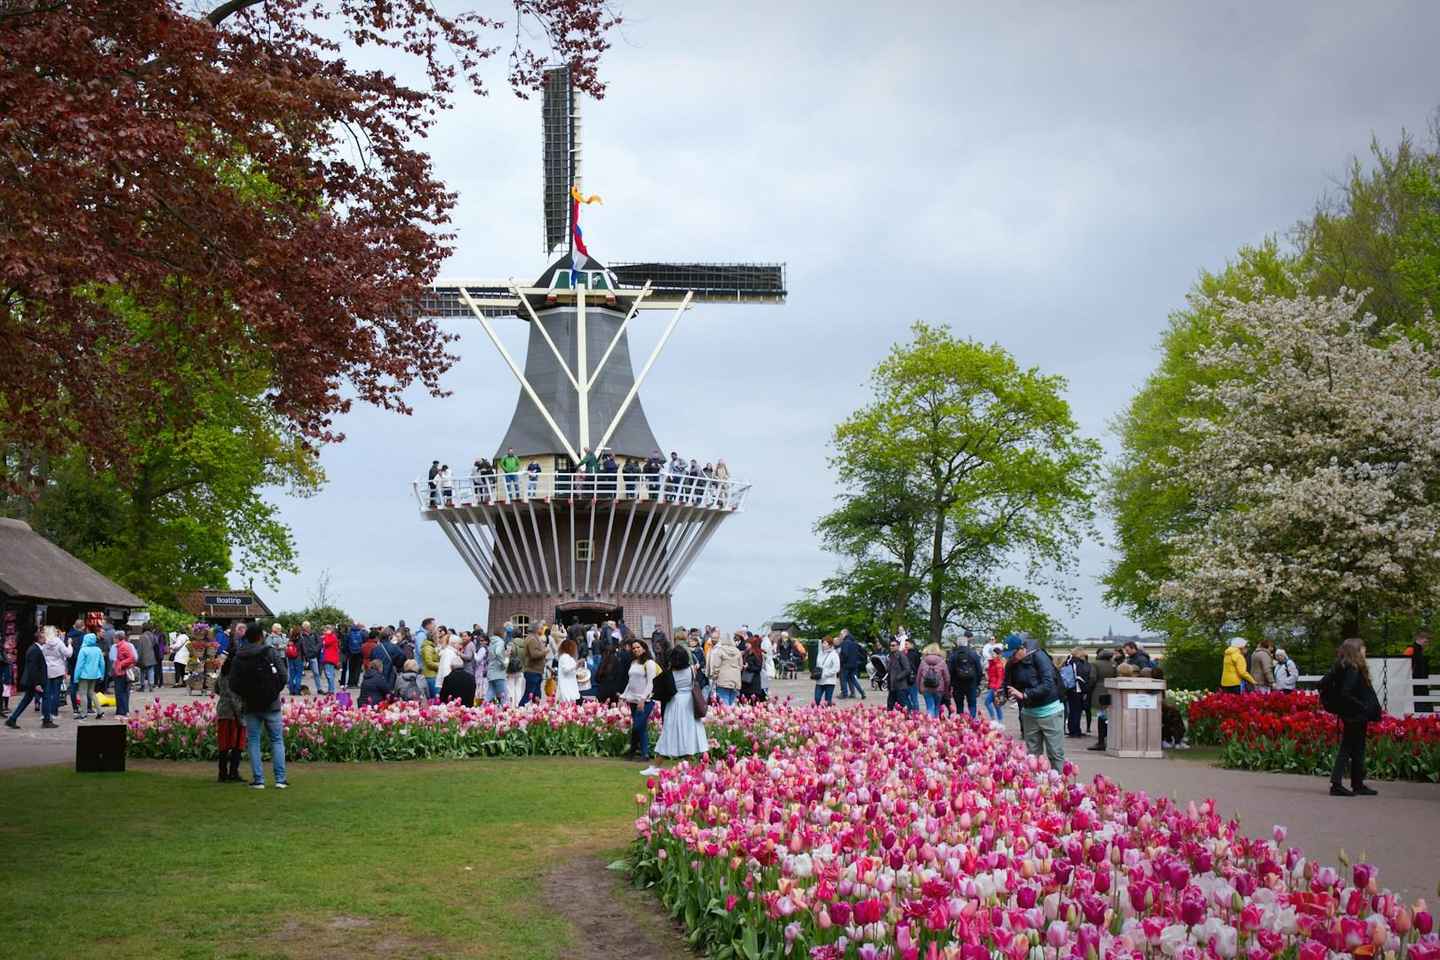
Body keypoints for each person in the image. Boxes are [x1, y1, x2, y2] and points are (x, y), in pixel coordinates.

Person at [233, 624, 288, 789]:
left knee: (254, 742)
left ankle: (259, 779)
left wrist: (245, 695)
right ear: (260, 637)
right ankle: (280, 779)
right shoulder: (269, 652)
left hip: (250, 704)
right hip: (271, 703)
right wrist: (273, 691)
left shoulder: (240, 655)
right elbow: (283, 675)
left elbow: (233, 683)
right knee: (277, 740)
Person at [1326, 637, 1381, 797]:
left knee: (1357, 748)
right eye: (1363, 648)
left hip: (1352, 714)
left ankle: (1357, 783)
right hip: (1355, 715)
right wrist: (1362, 706)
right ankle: (1337, 784)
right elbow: (1346, 692)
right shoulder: (1353, 669)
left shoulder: (1343, 666)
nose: (1365, 651)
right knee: (1349, 748)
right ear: (1356, 650)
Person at [1005, 638, 1065, 768]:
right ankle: (1035, 786)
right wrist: (1003, 695)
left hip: (1050, 711)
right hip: (1029, 713)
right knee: (1032, 755)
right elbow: (1008, 684)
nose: (1011, 658)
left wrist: (1025, 694)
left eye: (1013, 654)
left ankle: (1059, 784)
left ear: (1021, 649)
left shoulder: (1039, 656)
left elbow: (1048, 684)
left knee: (1055, 753)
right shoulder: (1012, 664)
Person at [654, 647, 709, 759]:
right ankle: (689, 760)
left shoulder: (669, 673)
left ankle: (658, 763)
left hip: (675, 702)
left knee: (670, 730)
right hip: (689, 702)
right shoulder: (691, 669)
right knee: (691, 729)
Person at [5, 632, 55, 729]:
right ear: (39, 639)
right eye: (44, 637)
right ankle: (46, 721)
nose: (46, 639)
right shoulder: (34, 650)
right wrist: (37, 684)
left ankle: (12, 719)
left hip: (36, 680)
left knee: (27, 699)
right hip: (36, 681)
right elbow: (33, 668)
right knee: (46, 697)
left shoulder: (36, 649)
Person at [622, 640, 660, 761]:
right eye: (633, 648)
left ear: (644, 648)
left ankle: (633, 750)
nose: (636, 650)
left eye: (638, 647)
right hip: (632, 699)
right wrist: (623, 696)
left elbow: (651, 683)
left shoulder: (649, 663)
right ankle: (644, 754)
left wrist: (643, 699)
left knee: (637, 726)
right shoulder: (633, 662)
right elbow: (630, 681)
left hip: (645, 700)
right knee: (641, 727)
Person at [214, 653, 248, 783]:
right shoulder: (237, 676)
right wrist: (240, 715)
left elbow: (217, 689)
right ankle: (233, 772)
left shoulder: (223, 674)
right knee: (237, 743)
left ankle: (222, 773)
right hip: (235, 713)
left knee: (224, 744)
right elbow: (235, 698)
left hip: (223, 711)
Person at [1087, 648, 1118, 751]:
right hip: (1111, 691)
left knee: (1101, 715)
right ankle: (1109, 739)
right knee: (1109, 716)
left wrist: (1088, 690)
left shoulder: (1095, 664)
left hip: (1098, 691)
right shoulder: (1113, 664)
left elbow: (1092, 678)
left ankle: (1101, 741)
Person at [69, 632, 105, 720]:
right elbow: (102, 663)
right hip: (95, 674)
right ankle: (100, 711)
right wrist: (102, 674)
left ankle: (83, 714)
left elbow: (79, 665)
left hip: (84, 675)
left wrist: (76, 677)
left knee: (83, 694)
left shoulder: (83, 650)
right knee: (92, 693)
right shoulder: (98, 649)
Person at [947, 634, 982, 718]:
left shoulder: (953, 655)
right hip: (971, 683)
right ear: (967, 643)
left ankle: (961, 722)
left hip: (957, 684)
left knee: (959, 705)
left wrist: (951, 685)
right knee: (972, 704)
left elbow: (950, 671)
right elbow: (979, 670)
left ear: (957, 644)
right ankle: (972, 721)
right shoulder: (974, 654)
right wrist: (977, 683)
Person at [916, 643, 950, 717]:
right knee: (937, 707)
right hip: (939, 689)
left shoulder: (923, 661)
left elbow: (918, 676)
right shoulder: (942, 662)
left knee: (930, 707)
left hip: (925, 688)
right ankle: (936, 725)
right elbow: (947, 678)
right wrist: (946, 690)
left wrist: (919, 688)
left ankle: (929, 723)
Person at [1060, 652, 1086, 738]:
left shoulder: (1067, 664)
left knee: (1071, 711)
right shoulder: (1077, 664)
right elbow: (1079, 677)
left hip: (1069, 690)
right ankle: (1075, 730)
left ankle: (1071, 730)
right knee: (1077, 711)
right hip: (1076, 690)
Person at [885, 637, 914, 711]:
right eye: (891, 645)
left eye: (893, 645)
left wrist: (898, 677)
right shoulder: (890, 656)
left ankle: (909, 719)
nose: (891, 647)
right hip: (892, 686)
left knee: (903, 705)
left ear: (898, 646)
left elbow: (907, 669)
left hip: (901, 686)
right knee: (890, 705)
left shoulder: (901, 656)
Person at [111, 631, 136, 716]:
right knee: (122, 692)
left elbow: (131, 658)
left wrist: (121, 664)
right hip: (121, 671)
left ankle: (123, 711)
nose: (113, 639)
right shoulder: (122, 645)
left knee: (120, 692)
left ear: (117, 638)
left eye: (114, 638)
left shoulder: (123, 646)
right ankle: (122, 711)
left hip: (122, 672)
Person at [1405, 630, 1431, 713]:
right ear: (1420, 639)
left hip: (1421, 685)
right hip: (1414, 685)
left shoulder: (1420, 651)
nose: (1427, 642)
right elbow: (1404, 667)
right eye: (1426, 640)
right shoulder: (1410, 650)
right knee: (1419, 706)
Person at [835, 628, 864, 701]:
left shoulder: (845, 642)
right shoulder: (854, 642)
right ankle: (862, 692)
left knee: (843, 678)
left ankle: (845, 693)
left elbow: (844, 653)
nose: (840, 636)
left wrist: (841, 662)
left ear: (845, 634)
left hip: (846, 664)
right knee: (853, 679)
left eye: (841, 634)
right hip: (854, 664)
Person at [520, 630, 548, 705]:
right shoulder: (533, 645)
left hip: (538, 672)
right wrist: (544, 652)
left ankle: (536, 711)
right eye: (542, 641)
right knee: (529, 694)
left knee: (537, 694)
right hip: (532, 672)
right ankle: (520, 707)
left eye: (545, 641)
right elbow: (534, 656)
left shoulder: (540, 648)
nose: (544, 643)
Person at [813, 635, 841, 705]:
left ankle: (827, 713)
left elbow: (836, 668)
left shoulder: (834, 654)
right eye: (823, 643)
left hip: (829, 681)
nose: (823, 644)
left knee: (827, 700)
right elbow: (818, 665)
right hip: (819, 680)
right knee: (817, 698)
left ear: (830, 644)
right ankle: (818, 712)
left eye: (825, 643)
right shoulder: (820, 653)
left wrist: (825, 674)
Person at [984, 646, 1006, 726]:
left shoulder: (998, 664)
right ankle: (999, 722)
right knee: (996, 705)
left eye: (994, 653)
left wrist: (996, 689)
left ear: (998, 654)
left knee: (987, 702)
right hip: (992, 686)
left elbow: (1000, 678)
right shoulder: (993, 662)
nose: (992, 654)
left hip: (995, 687)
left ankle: (994, 719)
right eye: (992, 653)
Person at [298, 621, 322, 695]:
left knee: (316, 673)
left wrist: (315, 649)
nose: (307, 628)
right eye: (306, 627)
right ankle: (297, 688)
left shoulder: (314, 634)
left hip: (313, 656)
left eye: (308, 627)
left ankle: (319, 688)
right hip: (304, 657)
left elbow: (319, 643)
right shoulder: (301, 635)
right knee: (299, 674)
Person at [740, 636, 766, 701]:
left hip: (753, 682)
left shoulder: (757, 654)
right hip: (745, 681)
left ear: (752, 644)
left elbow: (758, 668)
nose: (746, 645)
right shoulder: (746, 653)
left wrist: (748, 667)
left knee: (752, 700)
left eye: (748, 643)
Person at [343, 622, 366, 688]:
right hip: (359, 653)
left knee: (351, 668)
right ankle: (355, 684)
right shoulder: (362, 633)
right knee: (358, 669)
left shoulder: (349, 633)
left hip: (351, 653)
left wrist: (346, 652)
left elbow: (345, 644)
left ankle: (350, 683)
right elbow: (364, 643)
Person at [419, 629, 441, 699]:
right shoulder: (428, 648)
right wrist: (441, 665)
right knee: (435, 698)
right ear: (433, 637)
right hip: (430, 676)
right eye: (438, 637)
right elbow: (428, 662)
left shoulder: (431, 647)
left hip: (432, 675)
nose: (439, 638)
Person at [136, 628, 159, 692]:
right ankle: (151, 686)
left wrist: (137, 657)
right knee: (151, 671)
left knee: (142, 671)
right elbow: (156, 645)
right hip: (152, 656)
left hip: (144, 656)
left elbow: (140, 648)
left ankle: (142, 686)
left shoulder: (142, 636)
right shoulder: (153, 636)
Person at [320, 626, 340, 695]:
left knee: (329, 675)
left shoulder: (331, 637)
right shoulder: (333, 637)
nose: (324, 632)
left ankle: (331, 690)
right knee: (329, 675)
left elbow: (326, 643)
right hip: (330, 658)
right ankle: (330, 689)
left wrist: (326, 635)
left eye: (325, 630)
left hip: (329, 658)